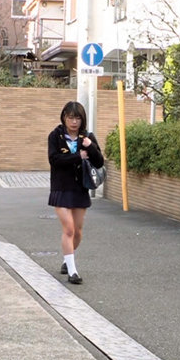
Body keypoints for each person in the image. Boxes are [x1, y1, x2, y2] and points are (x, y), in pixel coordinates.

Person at [47, 101, 104, 284]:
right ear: (64, 117)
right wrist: (77, 156)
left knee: (78, 232)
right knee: (69, 229)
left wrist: (90, 146)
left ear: (82, 119)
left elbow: (99, 162)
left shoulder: (87, 137)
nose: (74, 122)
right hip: (61, 187)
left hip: (80, 188)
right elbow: (54, 160)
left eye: (77, 118)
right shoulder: (55, 136)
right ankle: (72, 272)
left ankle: (67, 259)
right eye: (70, 118)